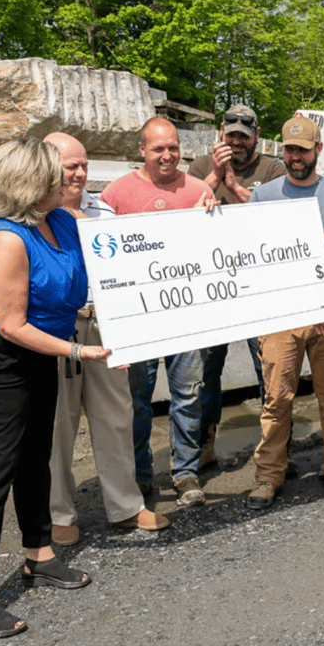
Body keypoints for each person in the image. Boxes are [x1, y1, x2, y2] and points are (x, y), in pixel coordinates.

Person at [0, 139, 107, 638]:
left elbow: (126, 238)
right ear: (30, 184)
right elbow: (11, 324)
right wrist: (78, 352)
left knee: (35, 454)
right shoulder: (6, 240)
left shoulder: (60, 220)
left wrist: (204, 206)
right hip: (0, 357)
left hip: (45, 348)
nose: (66, 180)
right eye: (54, 175)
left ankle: (38, 554)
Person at [43, 133, 170, 547]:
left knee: (116, 417)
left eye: (83, 165)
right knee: (58, 426)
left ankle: (126, 506)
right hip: (57, 329)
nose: (79, 173)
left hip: (106, 326)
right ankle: (57, 513)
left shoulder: (104, 211)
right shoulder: (33, 218)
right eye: (70, 166)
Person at [244, 116, 324, 509]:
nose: (295, 157)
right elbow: (246, 250)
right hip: (280, 315)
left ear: (318, 150)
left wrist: (305, 230)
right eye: (289, 149)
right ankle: (268, 476)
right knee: (277, 398)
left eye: (303, 150)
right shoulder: (264, 196)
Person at [100, 117, 214, 508]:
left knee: (188, 396)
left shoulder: (199, 190)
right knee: (137, 400)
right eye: (158, 149)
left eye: (173, 148)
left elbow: (219, 246)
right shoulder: (116, 195)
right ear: (142, 150)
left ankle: (186, 473)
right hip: (139, 319)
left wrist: (214, 216)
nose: (167, 156)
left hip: (188, 315)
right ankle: (141, 473)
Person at [188, 105, 285, 469]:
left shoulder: (273, 169)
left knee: (268, 367)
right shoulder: (200, 167)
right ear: (221, 134)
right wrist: (214, 175)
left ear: (257, 134)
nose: (238, 141)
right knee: (208, 369)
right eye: (232, 134)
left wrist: (232, 186)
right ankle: (205, 444)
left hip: (259, 285)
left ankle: (273, 447)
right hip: (213, 287)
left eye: (244, 134)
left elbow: (275, 214)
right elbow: (186, 209)